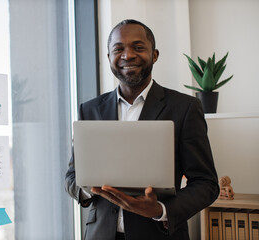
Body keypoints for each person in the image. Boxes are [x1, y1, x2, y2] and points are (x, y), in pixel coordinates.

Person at [65, 19, 219, 240]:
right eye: (118, 49)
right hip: (100, 234)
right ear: (109, 57)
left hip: (159, 234)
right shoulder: (89, 110)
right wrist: (90, 188)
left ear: (154, 55)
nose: (128, 55)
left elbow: (206, 184)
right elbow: (72, 177)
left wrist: (160, 211)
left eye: (138, 47)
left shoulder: (184, 108)